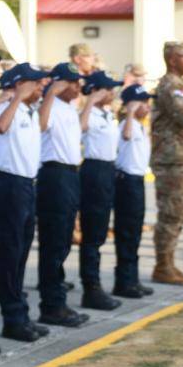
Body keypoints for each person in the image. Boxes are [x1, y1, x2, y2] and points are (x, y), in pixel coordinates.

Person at [0, 63, 51, 343]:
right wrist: (15, 97)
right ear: (20, 85)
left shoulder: (29, 110)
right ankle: (12, 318)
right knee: (10, 253)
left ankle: (20, 314)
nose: (40, 87)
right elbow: (0, 128)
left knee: (21, 252)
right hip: (10, 184)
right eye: (34, 83)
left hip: (26, 184)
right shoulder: (6, 108)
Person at [37, 63, 92, 327]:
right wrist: (50, 93)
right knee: (54, 241)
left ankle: (57, 301)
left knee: (63, 241)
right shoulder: (50, 105)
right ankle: (51, 305)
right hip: (54, 174)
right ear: (59, 83)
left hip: (70, 174)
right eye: (72, 82)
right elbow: (40, 125)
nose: (78, 87)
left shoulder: (69, 107)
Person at [150, 41, 183, 285]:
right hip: (172, 160)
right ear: (172, 59)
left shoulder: (180, 84)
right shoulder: (171, 84)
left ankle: (168, 262)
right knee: (171, 212)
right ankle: (162, 266)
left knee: (181, 210)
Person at [78, 70, 125, 311]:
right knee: (92, 231)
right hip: (94, 170)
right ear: (96, 91)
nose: (113, 93)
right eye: (108, 89)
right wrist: (90, 101)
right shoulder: (90, 113)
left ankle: (94, 285)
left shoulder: (107, 113)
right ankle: (91, 288)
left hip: (107, 170)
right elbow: (80, 129)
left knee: (99, 231)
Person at [113, 84, 156, 298]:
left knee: (135, 231)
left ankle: (133, 278)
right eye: (143, 103)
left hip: (137, 181)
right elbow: (126, 136)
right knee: (127, 231)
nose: (147, 107)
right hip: (126, 182)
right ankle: (123, 282)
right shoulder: (125, 125)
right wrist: (129, 112)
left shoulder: (140, 126)